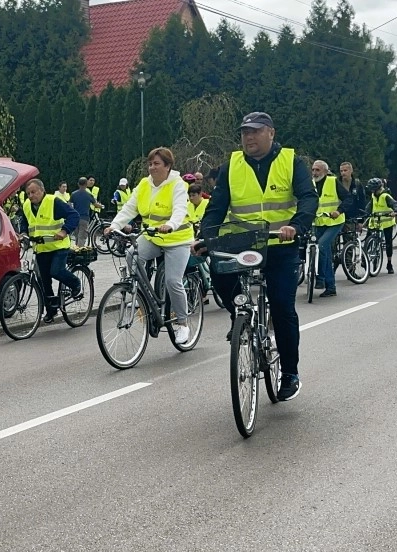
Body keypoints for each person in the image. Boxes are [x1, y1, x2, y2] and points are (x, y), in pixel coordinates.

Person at [197, 112, 318, 401]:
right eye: (244, 132)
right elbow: (216, 206)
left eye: (255, 131)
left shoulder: (291, 162)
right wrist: (207, 236)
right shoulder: (232, 166)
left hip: (280, 244)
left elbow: (308, 198)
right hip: (244, 243)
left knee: (281, 306)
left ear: (271, 133)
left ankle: (290, 373)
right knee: (218, 271)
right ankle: (239, 314)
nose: (248, 137)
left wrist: (297, 226)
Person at [106, 147, 193, 345]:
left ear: (168, 166)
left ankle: (183, 323)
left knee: (172, 281)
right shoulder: (144, 184)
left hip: (177, 238)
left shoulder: (177, 185)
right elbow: (129, 207)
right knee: (131, 255)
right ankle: (146, 299)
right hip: (153, 236)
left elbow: (180, 209)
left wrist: (170, 225)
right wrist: (114, 226)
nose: (152, 167)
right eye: (150, 163)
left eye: (157, 164)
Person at [19, 178, 84, 323]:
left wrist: (64, 231)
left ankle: (75, 284)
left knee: (56, 271)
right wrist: (23, 233)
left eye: (34, 192)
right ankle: (51, 310)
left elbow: (74, 215)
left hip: (58, 246)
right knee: (43, 281)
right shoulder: (27, 206)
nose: (31, 196)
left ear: (42, 190)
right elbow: (24, 222)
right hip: (41, 248)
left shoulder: (53, 201)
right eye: (28, 193)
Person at [311, 159, 350, 297]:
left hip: (334, 222)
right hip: (318, 223)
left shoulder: (333, 181)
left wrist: (338, 211)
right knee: (319, 251)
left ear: (325, 172)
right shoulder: (310, 184)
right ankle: (325, 283)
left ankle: (326, 282)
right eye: (313, 170)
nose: (315, 173)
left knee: (322, 246)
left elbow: (348, 199)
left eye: (318, 170)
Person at [364, 178, 397, 274]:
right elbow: (369, 206)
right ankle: (365, 259)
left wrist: (395, 211)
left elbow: (394, 204)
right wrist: (364, 214)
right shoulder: (373, 196)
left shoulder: (385, 196)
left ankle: (389, 263)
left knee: (388, 243)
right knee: (367, 240)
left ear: (378, 188)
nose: (372, 191)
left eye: (373, 189)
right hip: (375, 222)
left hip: (386, 223)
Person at [69, 177, 102, 247]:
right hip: (84, 218)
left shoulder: (73, 194)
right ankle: (79, 251)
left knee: (77, 236)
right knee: (82, 236)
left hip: (75, 218)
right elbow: (95, 204)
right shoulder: (89, 195)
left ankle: (76, 250)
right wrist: (101, 206)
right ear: (86, 184)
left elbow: (69, 205)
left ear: (78, 184)